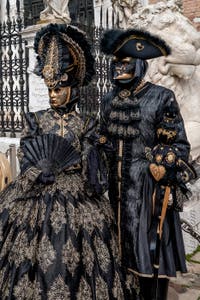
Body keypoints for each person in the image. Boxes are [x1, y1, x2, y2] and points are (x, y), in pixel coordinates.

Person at [0, 24, 126, 299]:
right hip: (38, 190)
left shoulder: (87, 122)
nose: (53, 94)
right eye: (50, 89)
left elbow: (94, 164)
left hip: (77, 193)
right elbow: (26, 151)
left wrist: (90, 155)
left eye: (59, 88)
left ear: (73, 87)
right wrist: (37, 170)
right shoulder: (36, 119)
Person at [100, 28, 196, 300]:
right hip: (115, 195)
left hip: (148, 194)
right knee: (119, 259)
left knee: (149, 256)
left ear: (140, 63)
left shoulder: (161, 97)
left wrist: (162, 165)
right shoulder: (108, 100)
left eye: (126, 62)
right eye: (116, 62)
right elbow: (103, 139)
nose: (119, 67)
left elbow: (180, 146)